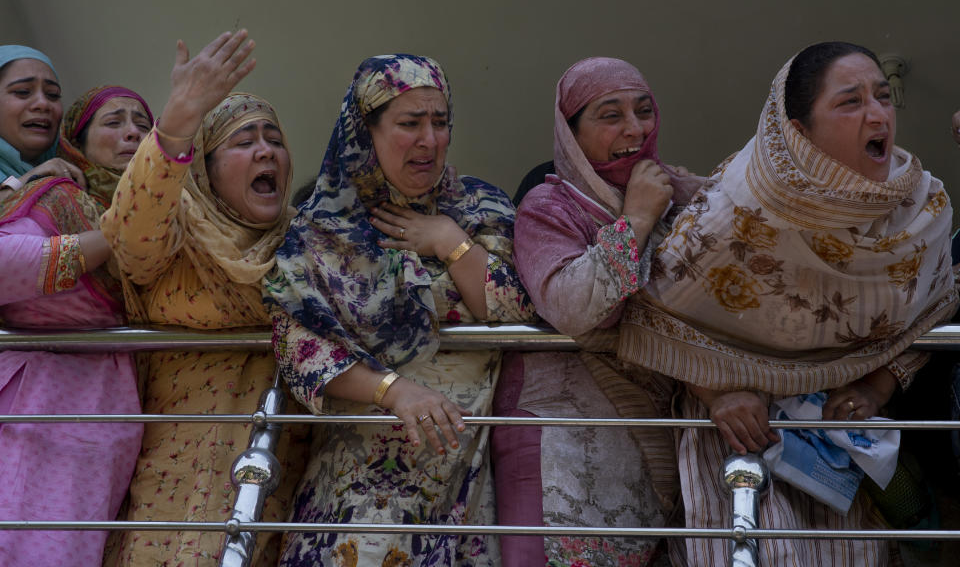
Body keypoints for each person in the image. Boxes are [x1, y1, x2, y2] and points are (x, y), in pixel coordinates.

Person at [619, 42, 958, 566]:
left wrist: (876, 384)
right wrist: (715, 395)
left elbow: (931, 314)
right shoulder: (738, 204)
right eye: (850, 102)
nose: (877, 114)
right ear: (799, 132)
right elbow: (657, 309)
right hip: (741, 431)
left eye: (883, 97)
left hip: (844, 446)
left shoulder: (923, 208)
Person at [263, 53, 535, 566]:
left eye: (440, 122)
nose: (429, 140)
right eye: (410, 124)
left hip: (464, 479)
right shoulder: (325, 225)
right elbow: (297, 344)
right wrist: (394, 389)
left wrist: (450, 241)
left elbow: (518, 305)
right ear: (366, 132)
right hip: (356, 482)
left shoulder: (482, 208)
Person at [100, 31, 308, 567]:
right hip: (173, 483)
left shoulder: (309, 247)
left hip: (274, 486)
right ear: (207, 170)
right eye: (243, 141)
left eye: (273, 138)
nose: (265, 149)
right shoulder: (178, 237)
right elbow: (129, 235)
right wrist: (176, 122)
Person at [493, 57, 704, 566]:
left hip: (649, 442)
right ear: (570, 133)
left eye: (644, 110)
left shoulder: (684, 205)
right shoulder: (550, 207)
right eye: (610, 115)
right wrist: (635, 219)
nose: (634, 129)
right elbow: (572, 306)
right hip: (557, 443)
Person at [0, 84, 152, 565]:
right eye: (114, 123)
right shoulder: (57, 199)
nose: (133, 134)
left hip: (115, 421)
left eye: (144, 127)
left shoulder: (180, 218)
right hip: (39, 409)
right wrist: (111, 236)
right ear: (75, 145)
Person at [0, 45, 85, 200]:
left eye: (52, 95)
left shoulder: (79, 173)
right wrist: (28, 182)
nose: (43, 104)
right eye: (23, 92)